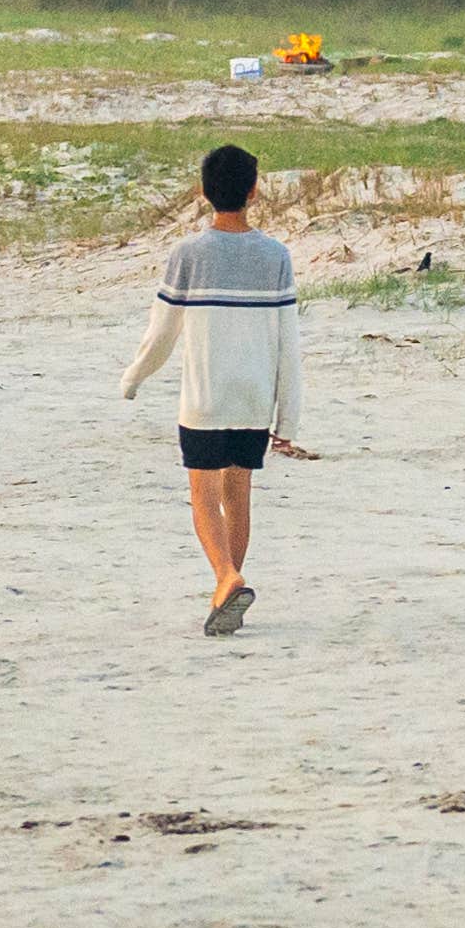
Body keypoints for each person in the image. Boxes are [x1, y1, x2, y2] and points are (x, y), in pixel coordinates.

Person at [123, 142, 311, 633]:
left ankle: (227, 577)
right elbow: (289, 344)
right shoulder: (276, 256)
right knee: (238, 492)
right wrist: (287, 419)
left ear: (205, 192)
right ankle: (227, 591)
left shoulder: (188, 254)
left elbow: (161, 334)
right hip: (253, 397)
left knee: (204, 495)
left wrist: (134, 378)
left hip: (204, 397)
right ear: (253, 190)